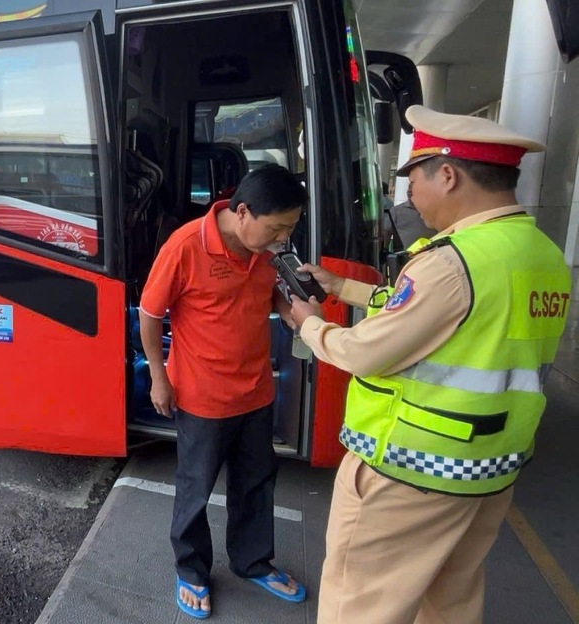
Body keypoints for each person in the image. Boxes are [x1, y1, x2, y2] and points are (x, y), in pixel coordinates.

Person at [288, 105, 572, 624]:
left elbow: (365, 351)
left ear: (447, 174)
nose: (410, 196)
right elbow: (450, 320)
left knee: (361, 605)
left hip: (410, 471)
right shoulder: (542, 254)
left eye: (413, 180)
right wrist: (344, 287)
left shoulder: (452, 261)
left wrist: (310, 324)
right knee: (450, 602)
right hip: (488, 469)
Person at [138, 163, 308, 619]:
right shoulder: (185, 246)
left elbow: (266, 290)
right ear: (244, 212)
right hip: (202, 396)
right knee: (196, 487)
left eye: (289, 230)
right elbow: (150, 314)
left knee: (255, 482)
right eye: (277, 228)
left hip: (256, 391)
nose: (282, 239)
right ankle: (192, 570)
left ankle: (252, 562)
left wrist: (288, 310)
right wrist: (158, 376)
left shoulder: (263, 249)